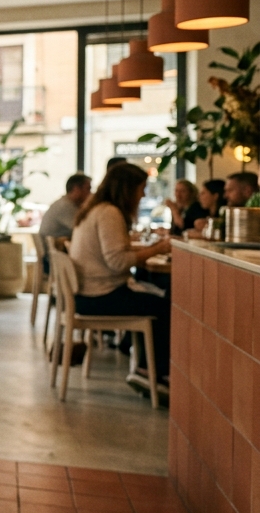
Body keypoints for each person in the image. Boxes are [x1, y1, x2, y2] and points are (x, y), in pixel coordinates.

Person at [69, 163, 172, 391]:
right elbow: (118, 263)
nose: (144, 194)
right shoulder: (109, 213)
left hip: (87, 295)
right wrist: (158, 249)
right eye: (141, 188)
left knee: (157, 298)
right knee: (166, 306)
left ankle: (146, 367)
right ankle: (150, 372)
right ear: (127, 189)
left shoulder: (96, 209)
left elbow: (116, 257)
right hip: (99, 297)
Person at [39, 173, 93, 249]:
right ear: (76, 189)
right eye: (88, 189)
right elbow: (83, 230)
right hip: (56, 256)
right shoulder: (65, 206)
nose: (91, 194)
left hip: (54, 254)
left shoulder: (64, 203)